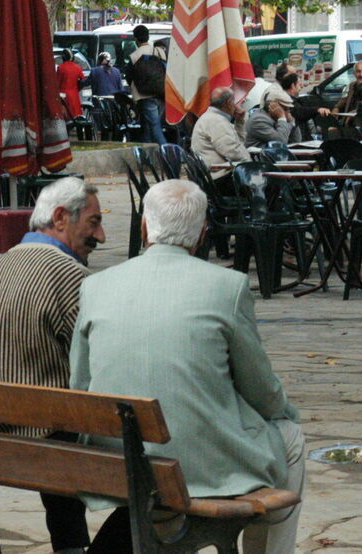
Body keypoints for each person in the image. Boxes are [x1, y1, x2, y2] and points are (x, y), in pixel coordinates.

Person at [70, 180, 304, 554]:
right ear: (202, 234)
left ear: (145, 227)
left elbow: (79, 386)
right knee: (290, 436)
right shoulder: (227, 286)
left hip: (118, 462)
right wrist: (283, 412)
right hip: (201, 469)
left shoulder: (96, 286)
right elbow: (260, 389)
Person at [0, 177, 105, 554]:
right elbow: (102, 365)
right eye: (93, 222)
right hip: (45, 441)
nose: (102, 236)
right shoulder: (69, 276)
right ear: (60, 218)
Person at [191, 86, 249, 177]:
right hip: (221, 177)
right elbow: (232, 152)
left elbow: (239, 143)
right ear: (229, 103)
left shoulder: (214, 118)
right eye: (234, 102)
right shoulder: (216, 121)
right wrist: (251, 163)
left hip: (220, 173)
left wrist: (239, 122)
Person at [128, 26, 167, 146]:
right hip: (161, 93)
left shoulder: (134, 56)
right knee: (149, 126)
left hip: (143, 96)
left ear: (135, 38)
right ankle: (148, 153)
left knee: (153, 126)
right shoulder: (159, 51)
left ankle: (167, 152)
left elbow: (129, 77)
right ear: (148, 36)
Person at [55, 49, 87, 119]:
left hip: (63, 95)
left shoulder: (61, 67)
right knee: (75, 115)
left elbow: (57, 83)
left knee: (65, 116)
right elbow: (83, 79)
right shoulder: (77, 67)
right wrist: (78, 87)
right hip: (74, 94)